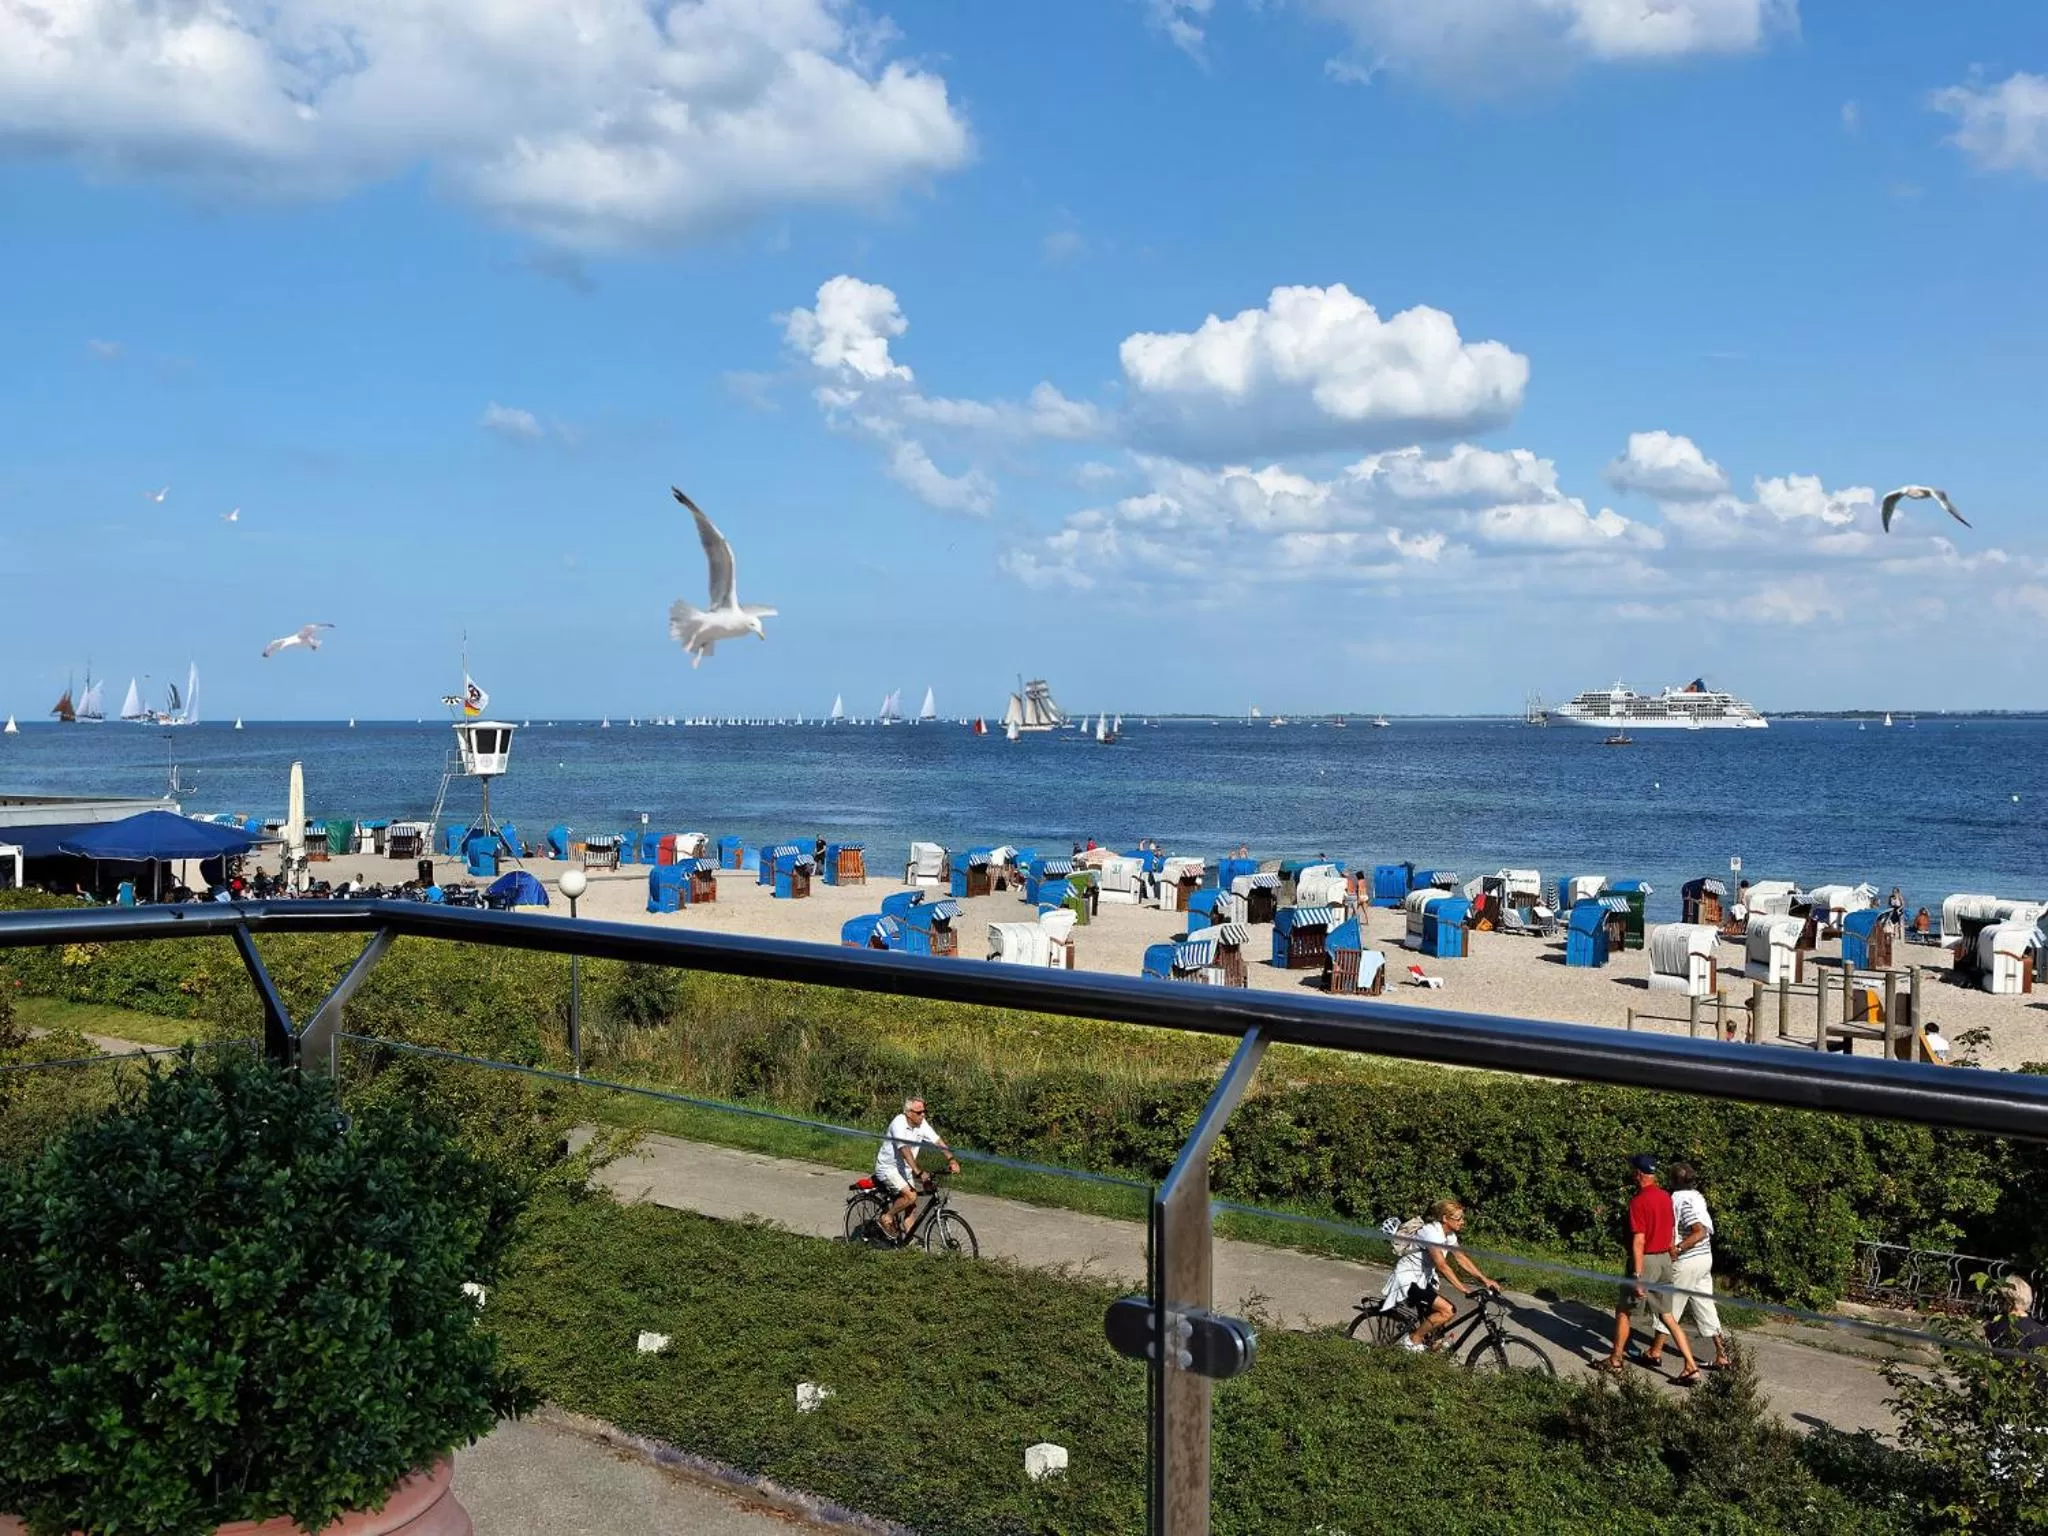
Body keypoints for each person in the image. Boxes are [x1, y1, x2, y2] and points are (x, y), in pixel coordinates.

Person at [1598, 1154, 1702, 1384]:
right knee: (1667, 1316)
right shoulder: (1666, 1196)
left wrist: (1637, 1274)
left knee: (1624, 1310)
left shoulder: (1638, 1201)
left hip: (1646, 1261)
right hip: (1665, 1259)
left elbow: (1639, 1240)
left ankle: (1616, 1359)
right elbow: (1671, 1227)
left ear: (1638, 1174)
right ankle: (1691, 1366)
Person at [1379, 1199, 1500, 1353]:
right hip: (1408, 1279)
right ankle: (1412, 1341)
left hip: (1423, 1279)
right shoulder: (1431, 1233)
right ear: (1445, 1218)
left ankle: (1426, 1356)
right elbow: (1442, 1265)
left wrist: (1485, 1280)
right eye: (1458, 1218)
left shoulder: (1448, 1235)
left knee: (1437, 1335)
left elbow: (1461, 1259)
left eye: (1463, 1218)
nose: (1462, 1222)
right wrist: (1464, 1289)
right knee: (1447, 1310)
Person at [1646, 1163, 1731, 1371]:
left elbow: (1699, 1231)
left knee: (1668, 1306)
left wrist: (1678, 1248)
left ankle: (1655, 1352)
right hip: (1704, 1258)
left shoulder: (1679, 1200)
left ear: (1674, 1181)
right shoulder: (1697, 1196)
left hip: (1687, 1261)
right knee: (1705, 1306)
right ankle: (1722, 1355)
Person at [873, 1097, 958, 1241]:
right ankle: (886, 1217)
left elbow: (937, 1141)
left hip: (904, 1169)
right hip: (888, 1168)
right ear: (908, 1113)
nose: (923, 1115)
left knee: (911, 1208)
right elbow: (904, 1150)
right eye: (919, 1112)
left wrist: (951, 1159)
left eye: (924, 1111)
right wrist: (918, 1172)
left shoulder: (922, 1124)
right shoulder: (898, 1124)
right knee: (911, 1196)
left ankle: (908, 1243)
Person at [1987, 1276, 2048, 1355]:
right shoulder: (2043, 1331)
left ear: (2007, 1299)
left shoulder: (2003, 1327)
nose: (1997, 1300)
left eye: (1999, 1296)